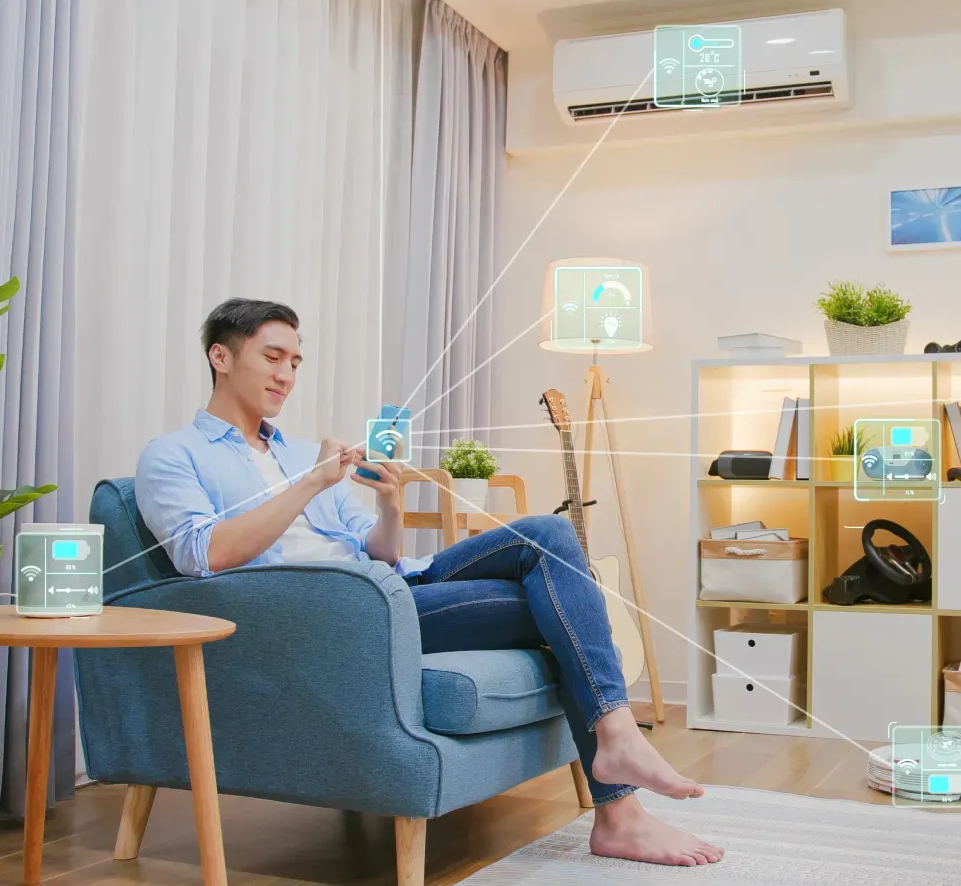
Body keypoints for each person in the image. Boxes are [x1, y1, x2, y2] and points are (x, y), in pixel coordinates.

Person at [135, 298, 724, 867]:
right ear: (220, 356)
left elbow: (382, 551)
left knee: (547, 534)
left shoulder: (298, 453)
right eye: (272, 357)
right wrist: (312, 483)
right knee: (564, 602)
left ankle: (617, 752)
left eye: (295, 361)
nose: (286, 374)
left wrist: (390, 504)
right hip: (339, 611)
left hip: (394, 586)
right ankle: (619, 800)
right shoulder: (173, 455)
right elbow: (203, 554)